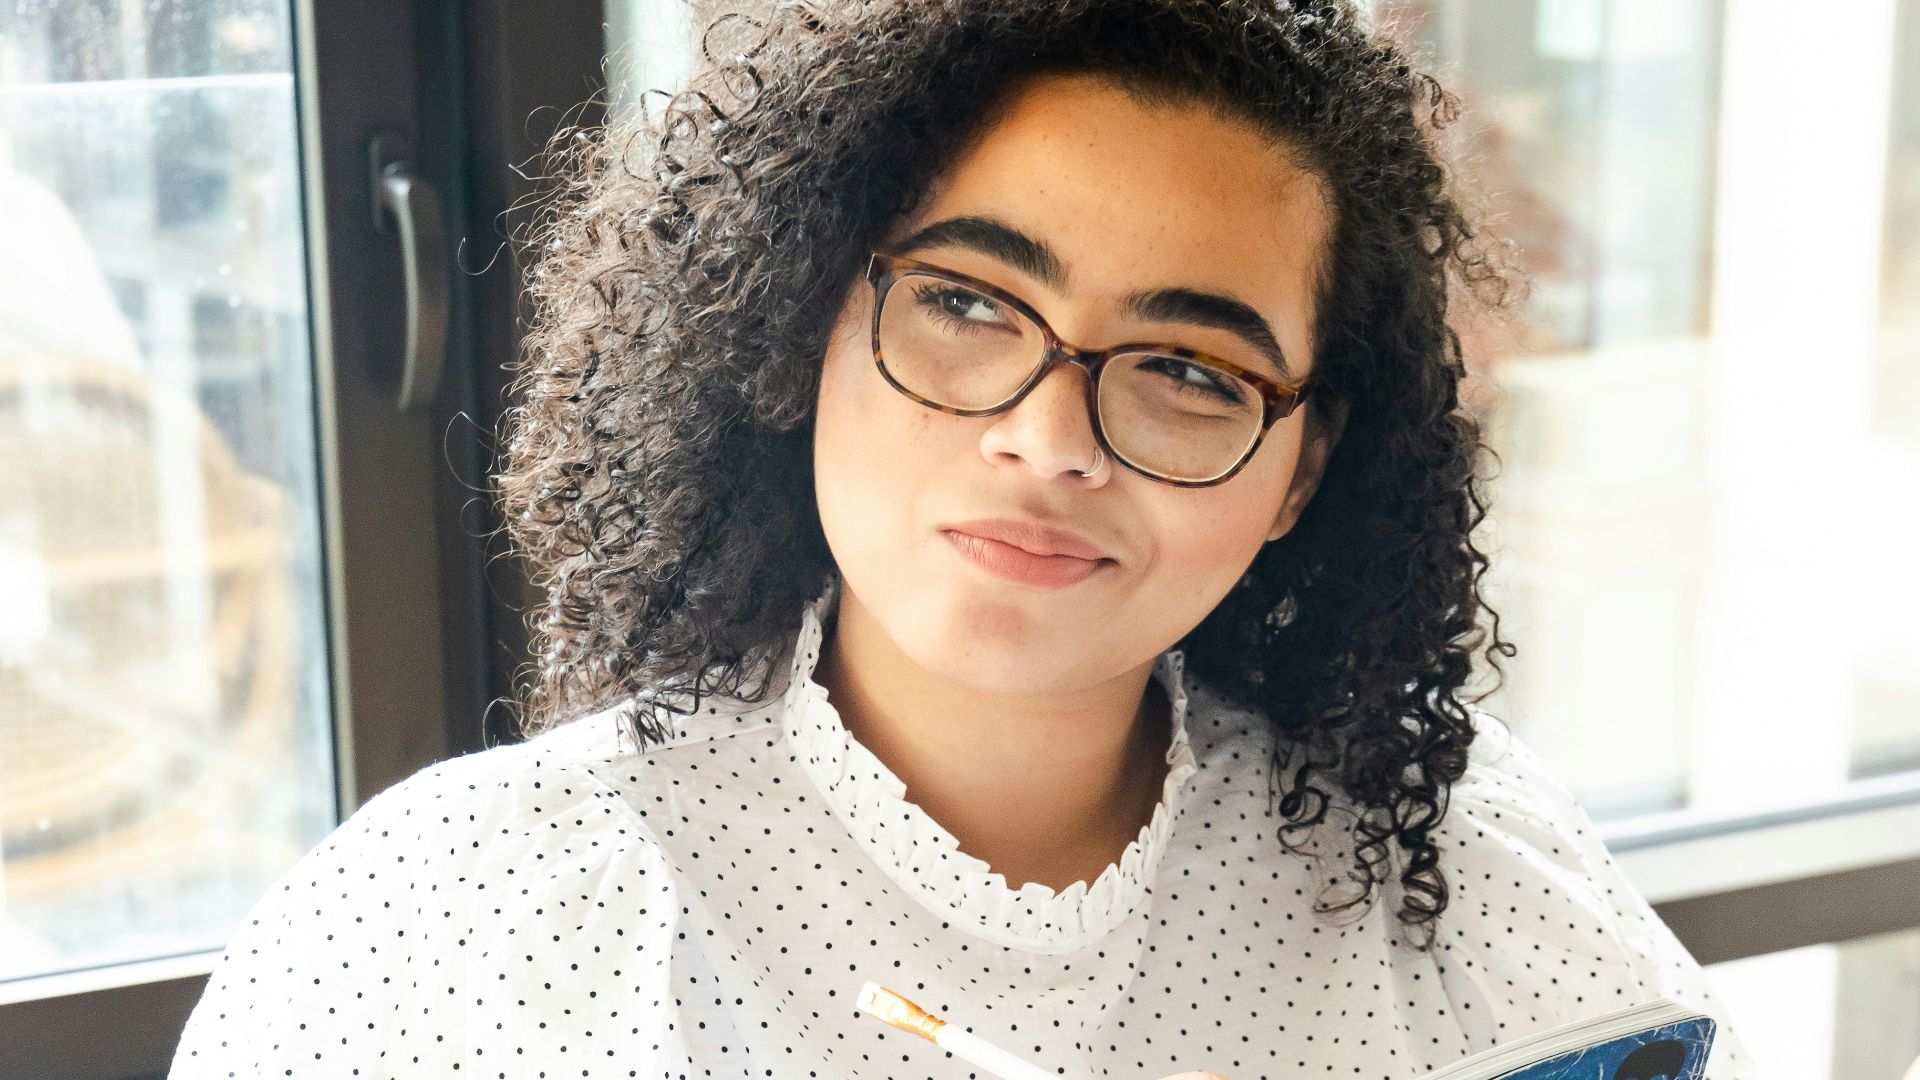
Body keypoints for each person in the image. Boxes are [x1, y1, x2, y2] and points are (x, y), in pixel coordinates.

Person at [169, 1, 1757, 1077]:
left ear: (1300, 466)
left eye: (1192, 372)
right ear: (800, 321)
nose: (1046, 438)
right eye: (965, 306)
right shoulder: (459, 916)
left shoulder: (1457, 883)